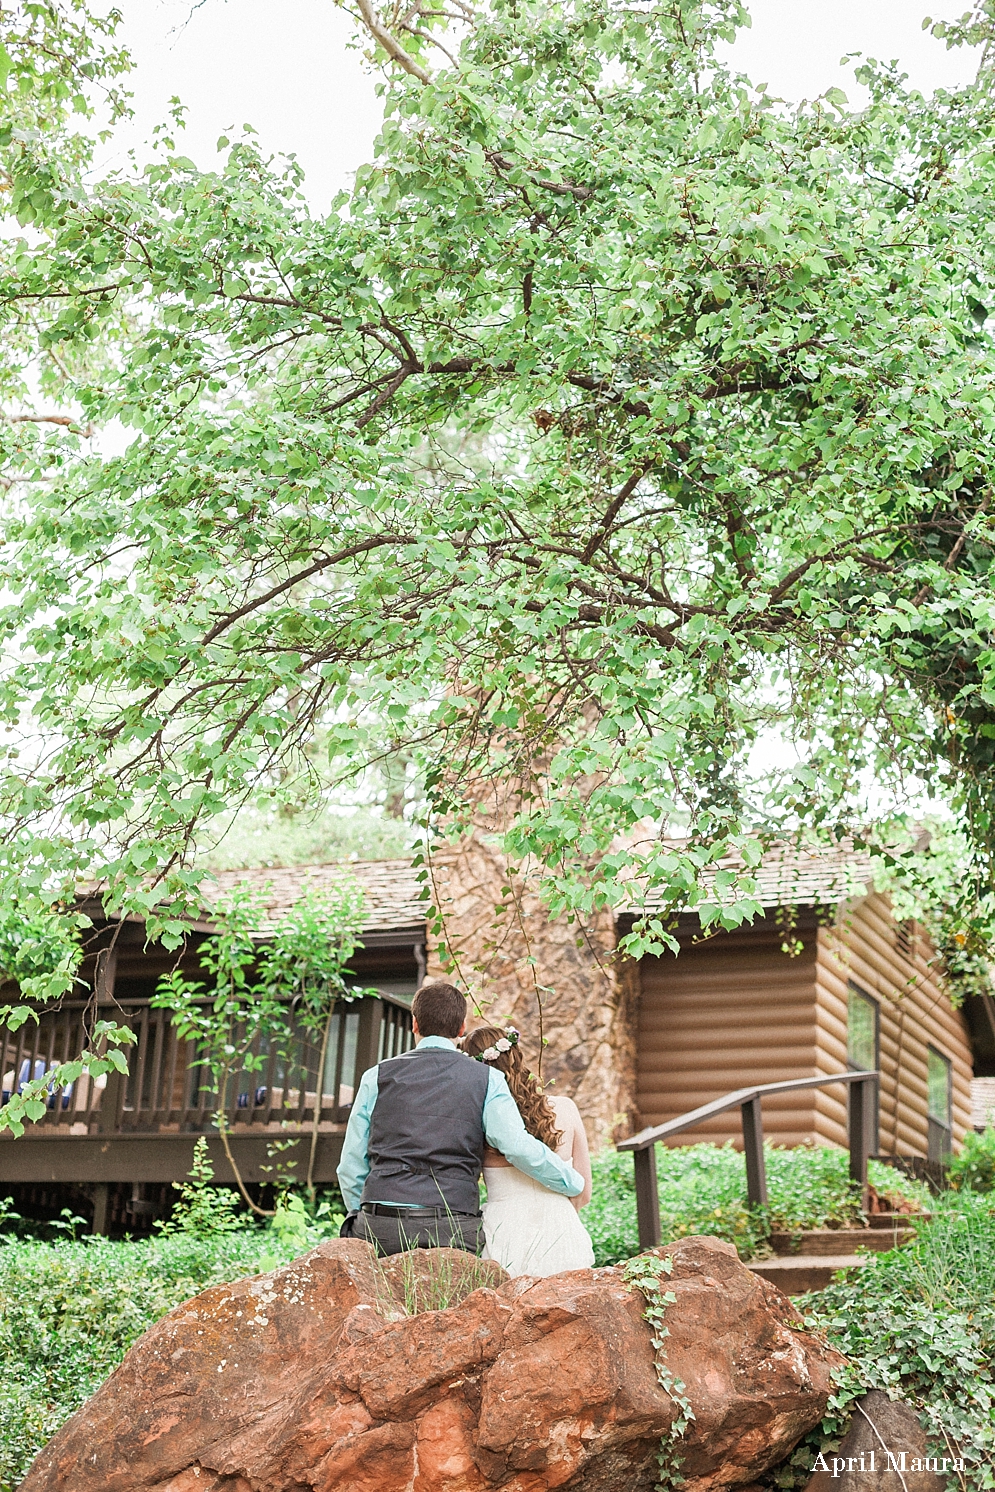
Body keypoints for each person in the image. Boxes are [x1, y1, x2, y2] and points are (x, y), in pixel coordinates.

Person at [336, 982, 584, 1256]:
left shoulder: (376, 1076)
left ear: (415, 1024)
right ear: (461, 1028)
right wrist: (571, 1182)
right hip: (452, 1228)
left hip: (381, 1226)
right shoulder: (487, 1079)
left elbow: (350, 1165)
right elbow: (516, 1146)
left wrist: (360, 1213)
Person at [462, 1024, 595, 1277]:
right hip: (562, 1231)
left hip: (505, 1234)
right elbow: (584, 1192)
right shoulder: (565, 1109)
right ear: (516, 1057)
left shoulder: (476, 1123)